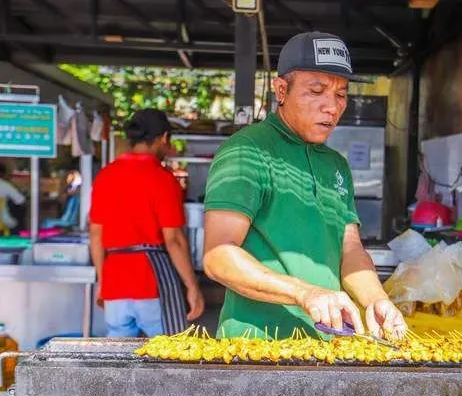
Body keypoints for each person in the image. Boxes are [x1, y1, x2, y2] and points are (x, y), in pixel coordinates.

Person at [203, 31, 407, 340]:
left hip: (329, 343)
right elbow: (218, 256)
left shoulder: (336, 165)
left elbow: (349, 249)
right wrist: (305, 293)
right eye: (316, 90)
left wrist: (376, 299)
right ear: (281, 90)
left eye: (340, 94)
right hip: (255, 346)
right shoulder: (246, 151)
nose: (332, 106)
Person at [89, 109, 204, 337]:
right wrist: (192, 287)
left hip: (115, 284)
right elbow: (174, 241)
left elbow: (96, 236)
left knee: (117, 360)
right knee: (166, 359)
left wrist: (103, 281)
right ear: (164, 138)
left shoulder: (105, 176)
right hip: (151, 283)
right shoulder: (163, 179)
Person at [0, 163, 26, 233]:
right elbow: (20, 200)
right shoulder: (5, 185)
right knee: (18, 223)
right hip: (3, 222)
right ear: (2, 174)